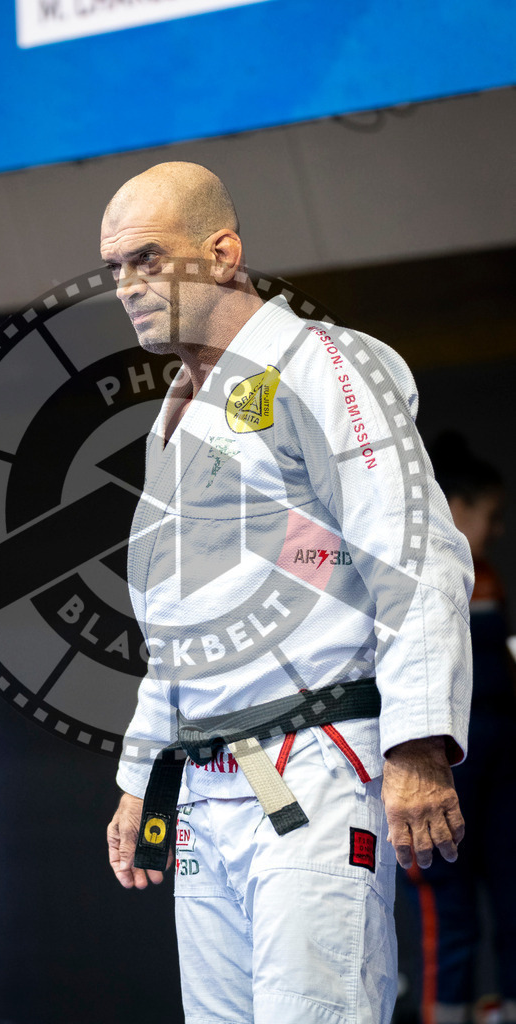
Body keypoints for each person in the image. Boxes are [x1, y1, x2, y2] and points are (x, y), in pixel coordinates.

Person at [102, 162, 473, 1024]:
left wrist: (416, 742)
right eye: (115, 267)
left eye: (148, 257)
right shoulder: (178, 420)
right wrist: (139, 780)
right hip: (203, 782)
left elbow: (413, 550)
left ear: (223, 253)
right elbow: (180, 626)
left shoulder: (322, 363)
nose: (127, 285)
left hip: (313, 762)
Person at [399, 431, 516, 1024]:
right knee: (449, 904)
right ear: (455, 505)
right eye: (490, 516)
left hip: (504, 764)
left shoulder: (487, 576)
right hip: (444, 763)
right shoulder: (412, 572)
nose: (496, 530)